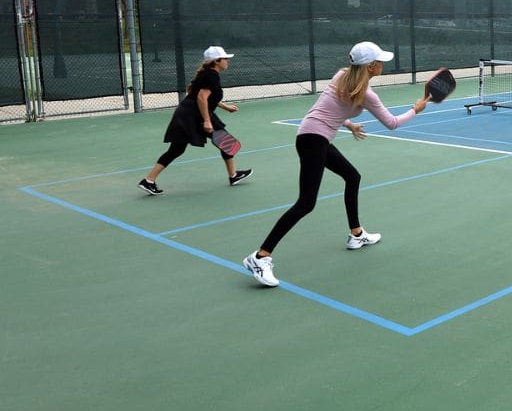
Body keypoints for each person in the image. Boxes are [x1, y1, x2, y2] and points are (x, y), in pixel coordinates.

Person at [243, 41, 428, 288]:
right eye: (380, 61)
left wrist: (349, 124)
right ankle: (260, 256)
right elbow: (392, 123)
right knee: (306, 203)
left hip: (311, 135)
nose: (383, 64)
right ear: (371, 66)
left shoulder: (342, 75)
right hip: (314, 141)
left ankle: (357, 234)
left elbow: (328, 108)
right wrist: (416, 109)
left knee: (353, 177)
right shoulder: (367, 95)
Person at [138, 45, 251, 195]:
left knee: (178, 149)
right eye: (225, 59)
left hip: (189, 112)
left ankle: (149, 181)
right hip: (193, 115)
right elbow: (201, 97)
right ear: (216, 61)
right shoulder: (211, 76)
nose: (227, 61)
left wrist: (226, 107)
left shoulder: (208, 74)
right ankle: (233, 176)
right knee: (226, 141)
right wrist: (206, 120)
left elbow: (204, 95)